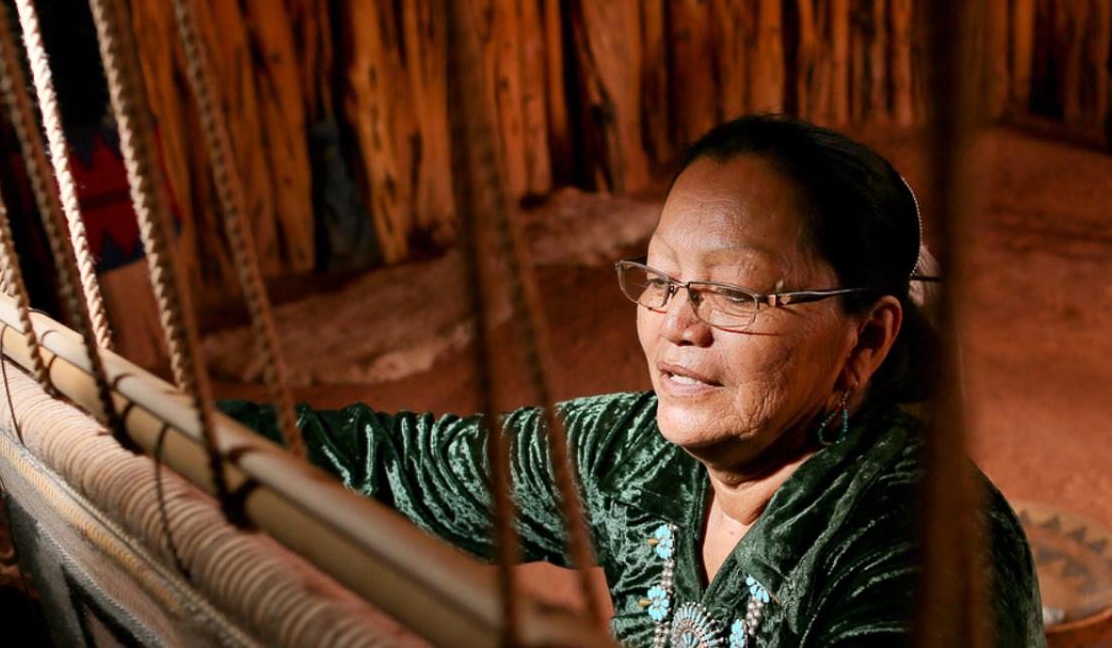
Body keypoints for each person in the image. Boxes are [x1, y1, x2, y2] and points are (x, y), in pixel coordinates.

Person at [226, 114, 1045, 646]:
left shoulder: (923, 551)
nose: (678, 327)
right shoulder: (632, 459)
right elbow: (397, 465)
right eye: (659, 280)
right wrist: (155, 426)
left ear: (866, 338)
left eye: (733, 290)